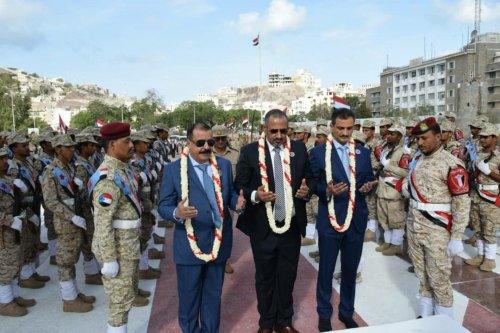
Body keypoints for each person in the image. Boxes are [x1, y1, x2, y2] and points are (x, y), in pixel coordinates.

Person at [159, 122, 245, 333]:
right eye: (200, 143)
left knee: (213, 297)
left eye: (210, 142)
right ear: (189, 143)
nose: (207, 147)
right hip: (190, 247)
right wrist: (176, 213)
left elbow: (230, 194)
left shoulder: (224, 166)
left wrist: (237, 203)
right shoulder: (173, 170)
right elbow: (163, 205)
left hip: (219, 243)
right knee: (189, 299)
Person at [235, 109, 312, 333]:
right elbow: (239, 183)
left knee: (288, 276)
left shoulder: (298, 148)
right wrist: (255, 195)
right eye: (274, 131)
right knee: (265, 277)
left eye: (283, 131)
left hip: (291, 225)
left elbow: (311, 178)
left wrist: (307, 190)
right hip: (262, 227)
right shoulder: (250, 152)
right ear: (264, 129)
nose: (279, 135)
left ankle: (285, 321)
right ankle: (266, 323)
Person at [309, 108, 375, 331]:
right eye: (341, 128)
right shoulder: (319, 153)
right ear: (332, 127)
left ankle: (347, 313)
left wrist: (368, 187)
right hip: (330, 220)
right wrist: (326, 190)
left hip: (356, 221)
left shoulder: (363, 153)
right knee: (326, 269)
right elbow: (312, 184)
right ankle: (324, 314)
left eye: (350, 128)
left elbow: (368, 180)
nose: (345, 133)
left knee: (350, 269)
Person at [405, 117, 470, 319]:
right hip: (414, 226)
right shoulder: (417, 159)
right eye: (417, 139)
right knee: (421, 274)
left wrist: (457, 236)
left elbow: (461, 202)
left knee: (439, 278)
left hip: (437, 229)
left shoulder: (452, 163)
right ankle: (426, 315)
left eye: (424, 138)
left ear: (439, 136)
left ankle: (444, 322)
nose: (420, 143)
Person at [90, 122, 149, 333]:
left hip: (128, 248)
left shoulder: (124, 170)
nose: (132, 145)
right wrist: (108, 259)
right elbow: (103, 222)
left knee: (125, 300)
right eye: (127, 141)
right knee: (118, 304)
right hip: (118, 251)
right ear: (112, 144)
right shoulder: (108, 178)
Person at [41, 134, 95, 313]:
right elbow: (51, 201)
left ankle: (74, 293)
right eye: (68, 147)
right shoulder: (50, 172)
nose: (72, 150)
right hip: (66, 223)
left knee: (73, 258)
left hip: (78, 219)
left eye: (73, 147)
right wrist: (71, 216)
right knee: (65, 261)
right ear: (58, 150)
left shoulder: (71, 168)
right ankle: (68, 300)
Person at [7, 134, 49, 289]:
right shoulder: (13, 166)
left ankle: (31, 272)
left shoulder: (27, 163)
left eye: (27, 145)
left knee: (33, 240)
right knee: (25, 241)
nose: (27, 148)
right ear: (14, 148)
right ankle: (25, 276)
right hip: (23, 208)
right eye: (23, 146)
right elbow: (13, 191)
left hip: (34, 204)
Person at [0, 147, 35, 317]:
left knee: (15, 262)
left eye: (6, 158)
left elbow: (17, 201)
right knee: (5, 266)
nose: (5, 162)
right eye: (1, 159)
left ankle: (13, 296)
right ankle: (5, 303)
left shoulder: (6, 179)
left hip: (14, 228)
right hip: (3, 232)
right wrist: (8, 220)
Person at [464, 123, 499, 271]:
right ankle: (480, 255)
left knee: (489, 230)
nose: (482, 140)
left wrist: (489, 172)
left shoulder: (498, 156)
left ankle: (490, 259)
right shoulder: (478, 154)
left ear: (494, 138)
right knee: (477, 228)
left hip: (490, 198)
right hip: (475, 195)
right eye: (481, 137)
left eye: (486, 137)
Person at [375, 125, 410, 256]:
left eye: (392, 134)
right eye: (388, 134)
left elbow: (406, 172)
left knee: (396, 220)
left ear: (399, 136)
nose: (388, 136)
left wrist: (388, 166)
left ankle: (396, 245)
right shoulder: (386, 150)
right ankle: (387, 242)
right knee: (384, 220)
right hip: (382, 190)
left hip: (394, 192)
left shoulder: (403, 153)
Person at [74, 134, 102, 285]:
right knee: (87, 240)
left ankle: (93, 270)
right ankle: (90, 273)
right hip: (84, 209)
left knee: (92, 239)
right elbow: (79, 193)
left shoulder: (88, 163)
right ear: (83, 147)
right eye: (90, 145)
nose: (93, 147)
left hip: (90, 207)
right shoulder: (80, 166)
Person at [212, 124, 240, 275]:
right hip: (212, 198)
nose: (221, 141)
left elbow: (240, 174)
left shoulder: (235, 154)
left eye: (223, 138)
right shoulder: (207, 153)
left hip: (230, 196)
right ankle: (212, 257)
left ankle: (225, 260)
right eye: (217, 139)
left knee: (226, 230)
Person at [361, 120, 380, 242]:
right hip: (364, 175)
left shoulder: (376, 144)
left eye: (367, 130)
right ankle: (367, 226)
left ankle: (372, 230)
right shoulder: (363, 143)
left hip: (373, 175)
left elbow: (380, 161)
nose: (364, 132)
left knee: (371, 202)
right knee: (366, 202)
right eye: (363, 130)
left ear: (373, 131)